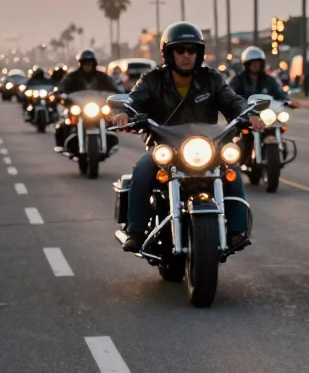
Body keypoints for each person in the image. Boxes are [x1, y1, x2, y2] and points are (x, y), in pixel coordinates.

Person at [113, 22, 264, 253]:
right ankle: (135, 230)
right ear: (168, 53)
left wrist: (250, 115)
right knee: (143, 169)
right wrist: (124, 112)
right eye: (180, 50)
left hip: (206, 146)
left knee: (232, 169)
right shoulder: (152, 79)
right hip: (165, 146)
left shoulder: (211, 79)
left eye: (191, 50)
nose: (186, 55)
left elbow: (233, 100)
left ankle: (236, 230)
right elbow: (135, 99)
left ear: (199, 53)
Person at [54, 49, 117, 148]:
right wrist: (58, 93)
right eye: (85, 63)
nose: (87, 66)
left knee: (112, 121)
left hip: (98, 107)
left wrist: (121, 93)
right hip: (78, 108)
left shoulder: (102, 77)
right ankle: (64, 145)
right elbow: (62, 87)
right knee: (64, 124)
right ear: (80, 64)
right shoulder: (72, 77)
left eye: (90, 63)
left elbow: (114, 87)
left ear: (94, 64)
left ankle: (111, 144)